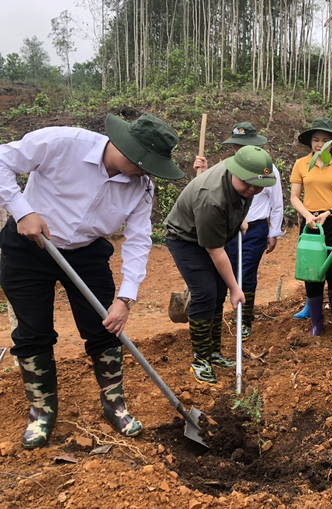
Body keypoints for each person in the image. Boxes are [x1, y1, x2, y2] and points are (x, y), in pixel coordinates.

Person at [0, 113, 184, 449]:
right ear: (131, 153)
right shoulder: (62, 143)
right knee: (33, 331)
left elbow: (140, 239)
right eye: (148, 164)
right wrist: (21, 210)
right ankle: (41, 410)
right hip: (30, 245)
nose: (150, 173)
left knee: (104, 328)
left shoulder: (141, 187)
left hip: (85, 253)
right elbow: (1, 159)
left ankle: (115, 403)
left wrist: (126, 298)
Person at [164, 145, 276, 385]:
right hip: (186, 239)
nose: (253, 189)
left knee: (217, 293)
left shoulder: (242, 176)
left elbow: (237, 199)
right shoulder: (211, 198)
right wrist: (237, 288)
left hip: (211, 234)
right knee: (205, 293)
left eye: (259, 185)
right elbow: (215, 251)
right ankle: (200, 359)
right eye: (249, 183)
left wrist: (239, 219)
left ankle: (214, 352)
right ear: (236, 172)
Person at [193, 122, 284, 340]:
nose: (238, 149)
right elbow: (208, 192)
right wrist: (203, 172)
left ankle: (244, 321)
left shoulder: (268, 169)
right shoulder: (227, 167)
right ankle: (218, 319)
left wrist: (274, 232)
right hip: (227, 228)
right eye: (236, 145)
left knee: (247, 274)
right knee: (225, 273)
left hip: (255, 228)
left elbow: (277, 202)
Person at [289, 118, 332, 335]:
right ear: (310, 142)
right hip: (310, 223)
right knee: (312, 271)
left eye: (326, 140)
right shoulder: (301, 164)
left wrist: (328, 213)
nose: (320, 144)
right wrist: (308, 215)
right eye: (316, 140)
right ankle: (316, 320)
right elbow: (294, 197)